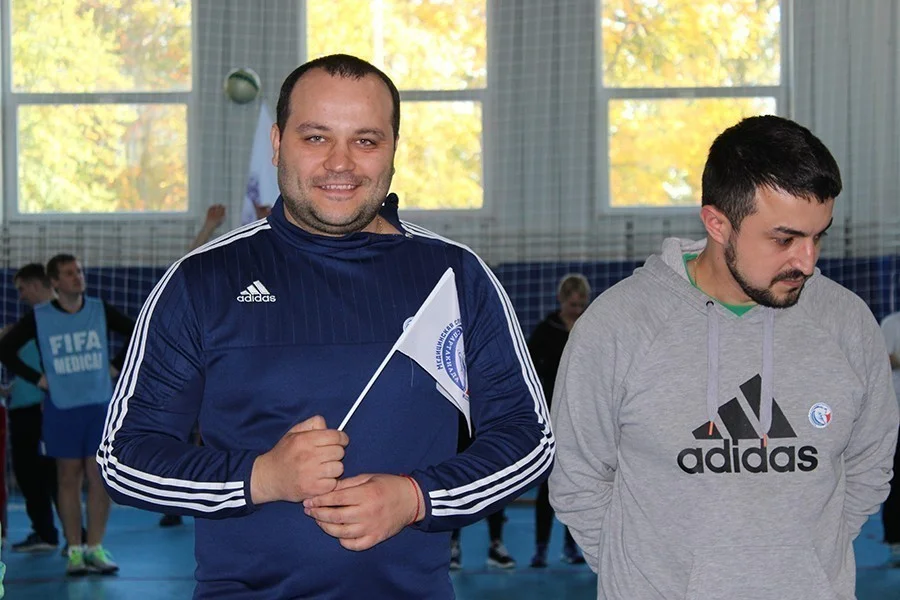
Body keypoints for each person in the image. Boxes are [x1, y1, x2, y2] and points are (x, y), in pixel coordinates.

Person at [98, 53, 553, 598]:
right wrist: (261, 477)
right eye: (316, 138)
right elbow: (124, 460)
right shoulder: (201, 281)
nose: (341, 163)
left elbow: (529, 441)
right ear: (277, 143)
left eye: (366, 140)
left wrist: (416, 498)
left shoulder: (455, 275)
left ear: (393, 149)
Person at [549, 115, 899, 600]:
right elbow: (577, 478)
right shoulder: (617, 327)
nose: (807, 261)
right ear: (717, 224)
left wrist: (804, 567)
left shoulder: (847, 323)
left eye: (818, 236)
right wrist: (644, 578)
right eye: (784, 239)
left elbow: (871, 462)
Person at [0, 254, 135, 576]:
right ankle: (74, 549)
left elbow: (137, 331)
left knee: (99, 477)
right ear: (55, 282)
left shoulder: (98, 309)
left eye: (79, 271)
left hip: (98, 405)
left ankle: (95, 547)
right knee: (67, 478)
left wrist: (115, 365)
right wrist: (37, 378)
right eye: (69, 273)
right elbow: (5, 349)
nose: (78, 277)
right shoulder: (40, 317)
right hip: (61, 408)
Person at [527, 273, 590, 568]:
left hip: (585, 417)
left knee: (579, 483)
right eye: (572, 304)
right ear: (561, 300)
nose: (577, 310)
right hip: (551, 416)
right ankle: (541, 548)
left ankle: (572, 546)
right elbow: (529, 370)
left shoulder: (593, 326)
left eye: (581, 304)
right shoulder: (545, 330)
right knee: (547, 484)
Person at [3, 264, 60, 553]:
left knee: (52, 473)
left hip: (40, 408)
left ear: (35, 285)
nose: (21, 295)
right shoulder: (30, 324)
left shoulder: (53, 319)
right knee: (35, 474)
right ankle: (49, 532)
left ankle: (65, 534)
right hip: (26, 405)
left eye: (22, 288)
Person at [448, 416, 516, 570]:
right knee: (457, 482)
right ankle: (453, 544)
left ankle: (496, 543)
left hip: (489, 424)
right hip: (461, 424)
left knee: (496, 482)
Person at [880, 309, 900, 564]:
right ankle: (896, 541)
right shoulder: (891, 323)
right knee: (896, 481)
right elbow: (882, 360)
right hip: (897, 414)